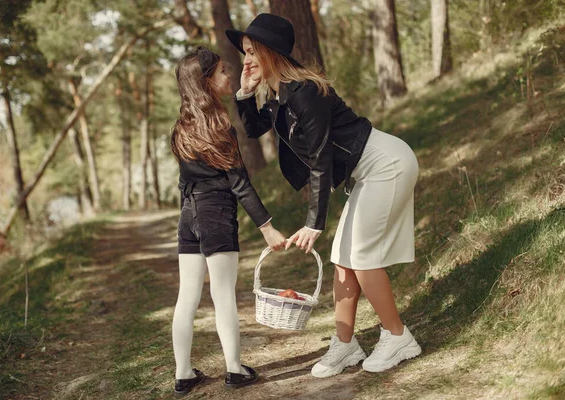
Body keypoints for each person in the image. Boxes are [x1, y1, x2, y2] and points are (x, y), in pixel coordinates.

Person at [226, 14, 422, 378]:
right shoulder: (279, 94)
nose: (247, 59)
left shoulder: (304, 92)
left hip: (385, 163)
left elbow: (320, 157)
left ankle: (398, 336)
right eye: (245, 52)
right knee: (343, 258)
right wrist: (243, 94)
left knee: (362, 257)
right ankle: (346, 345)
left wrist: (314, 223)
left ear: (271, 52)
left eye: (253, 52)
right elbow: (253, 130)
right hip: (365, 172)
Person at [169, 46, 286, 395]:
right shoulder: (219, 128)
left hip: (188, 215)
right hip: (216, 216)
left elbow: (183, 183)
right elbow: (240, 184)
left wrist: (188, 220)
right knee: (223, 296)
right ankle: (234, 370)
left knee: (186, 297)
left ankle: (183, 373)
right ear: (206, 82)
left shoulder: (181, 129)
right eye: (222, 72)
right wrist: (267, 227)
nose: (229, 75)